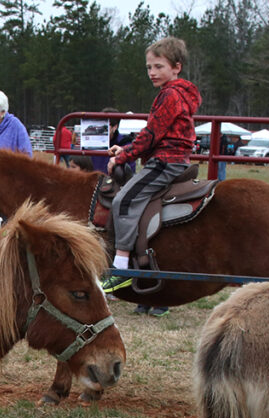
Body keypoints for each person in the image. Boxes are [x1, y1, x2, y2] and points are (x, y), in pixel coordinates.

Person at [101, 37, 201, 293]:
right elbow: (155, 134)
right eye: (149, 67)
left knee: (124, 199)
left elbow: (152, 135)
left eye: (158, 66)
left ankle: (121, 266)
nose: (152, 73)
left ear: (176, 67)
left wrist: (121, 157)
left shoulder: (169, 95)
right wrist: (126, 148)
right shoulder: (179, 94)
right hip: (171, 157)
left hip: (165, 162)